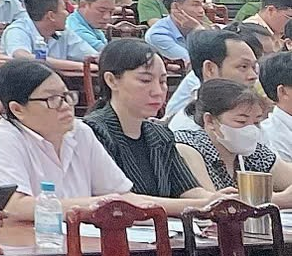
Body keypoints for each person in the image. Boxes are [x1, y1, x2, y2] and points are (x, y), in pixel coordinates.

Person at [0, 59, 144, 220]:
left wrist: (161, 208)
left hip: (81, 236)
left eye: (66, 96)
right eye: (52, 99)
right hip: (20, 239)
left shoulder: (80, 132)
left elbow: (122, 196)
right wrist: (100, 204)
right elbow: (15, 207)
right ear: (18, 109)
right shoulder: (2, 140)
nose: (66, 106)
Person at [82, 38, 213, 201]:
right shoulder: (94, 132)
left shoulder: (160, 134)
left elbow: (188, 189)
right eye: (145, 80)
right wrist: (205, 203)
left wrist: (218, 198)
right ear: (111, 80)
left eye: (163, 81)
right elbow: (124, 201)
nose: (158, 91)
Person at [177, 77, 292, 202]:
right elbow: (213, 203)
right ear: (210, 121)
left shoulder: (254, 153)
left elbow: (286, 175)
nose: (251, 130)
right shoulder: (188, 146)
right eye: (241, 121)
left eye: (256, 122)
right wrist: (280, 199)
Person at [165, 24, 259, 122]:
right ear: (210, 69)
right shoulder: (189, 128)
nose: (253, 76)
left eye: (254, 67)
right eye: (243, 66)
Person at [144, 0, 210, 60]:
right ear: (176, 7)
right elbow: (193, 62)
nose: (201, 11)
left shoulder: (201, 25)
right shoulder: (157, 35)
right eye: (195, 5)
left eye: (202, 5)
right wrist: (199, 30)